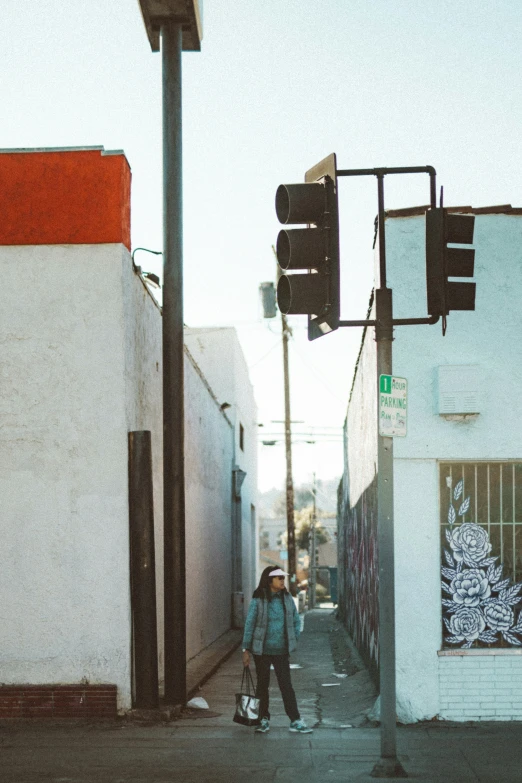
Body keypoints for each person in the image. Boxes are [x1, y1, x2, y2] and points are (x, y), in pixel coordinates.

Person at [241, 566, 313, 734]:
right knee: (262, 685)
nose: (282, 580)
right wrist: (245, 649)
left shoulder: (287, 598)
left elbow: (296, 620)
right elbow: (250, 624)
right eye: (278, 578)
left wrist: (294, 638)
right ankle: (263, 719)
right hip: (262, 651)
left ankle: (295, 720)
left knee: (286, 685)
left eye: (283, 578)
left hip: (281, 651)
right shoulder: (258, 599)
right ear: (269, 580)